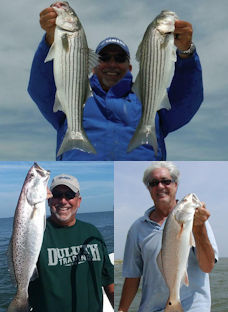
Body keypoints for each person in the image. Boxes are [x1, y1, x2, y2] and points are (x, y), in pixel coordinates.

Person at [28, 5, 203, 160]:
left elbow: (187, 100)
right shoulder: (72, 97)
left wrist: (186, 53)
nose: (112, 63)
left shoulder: (150, 100)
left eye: (119, 58)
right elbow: (41, 89)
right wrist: (50, 40)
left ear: (130, 67)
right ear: (93, 66)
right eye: (104, 57)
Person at [118, 161, 218, 312]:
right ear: (149, 188)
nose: (160, 186)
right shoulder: (137, 228)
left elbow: (207, 266)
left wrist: (199, 228)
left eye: (166, 181)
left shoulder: (198, 221)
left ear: (175, 185)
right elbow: (132, 276)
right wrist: (122, 310)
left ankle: (174, 298)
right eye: (154, 183)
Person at [28, 174, 114, 312]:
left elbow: (109, 279)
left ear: (78, 201)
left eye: (69, 195)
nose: (63, 200)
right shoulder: (34, 235)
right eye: (57, 194)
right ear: (49, 200)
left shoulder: (92, 232)